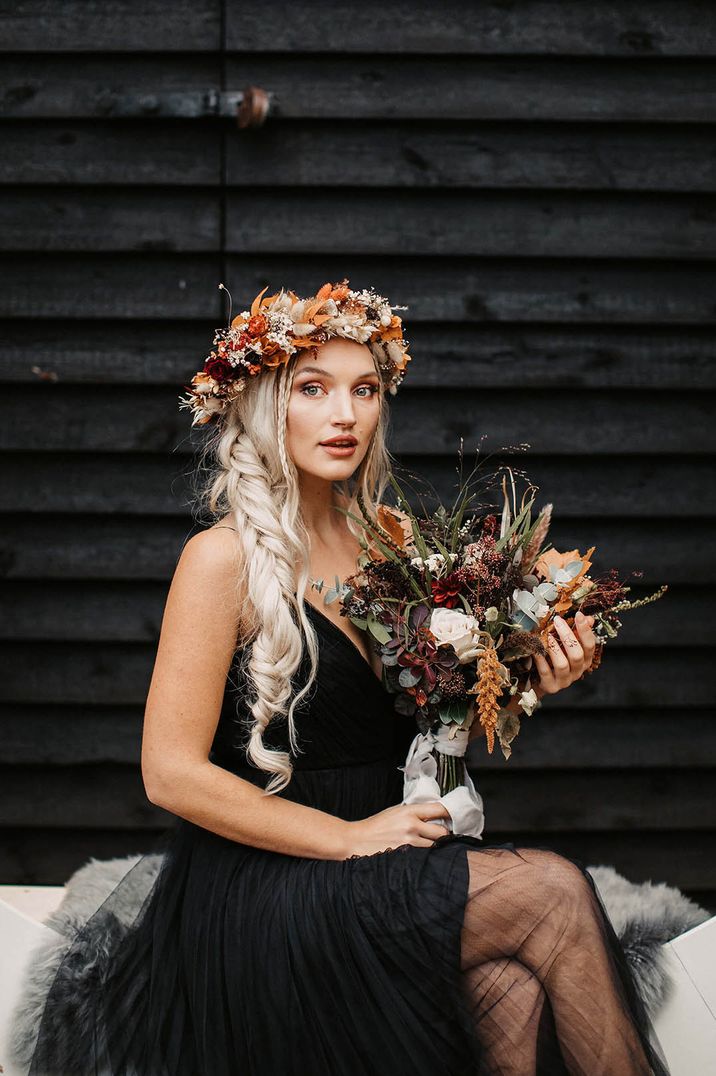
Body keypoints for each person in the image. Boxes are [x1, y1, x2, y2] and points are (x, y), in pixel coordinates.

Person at [25, 279, 670, 1075]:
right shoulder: (221, 559)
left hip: (387, 866)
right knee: (555, 892)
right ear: (266, 403)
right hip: (269, 886)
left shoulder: (391, 543)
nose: (346, 414)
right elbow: (168, 774)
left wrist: (530, 681)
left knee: (515, 990)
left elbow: (423, 729)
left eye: (364, 390)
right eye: (313, 388)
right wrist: (348, 840)